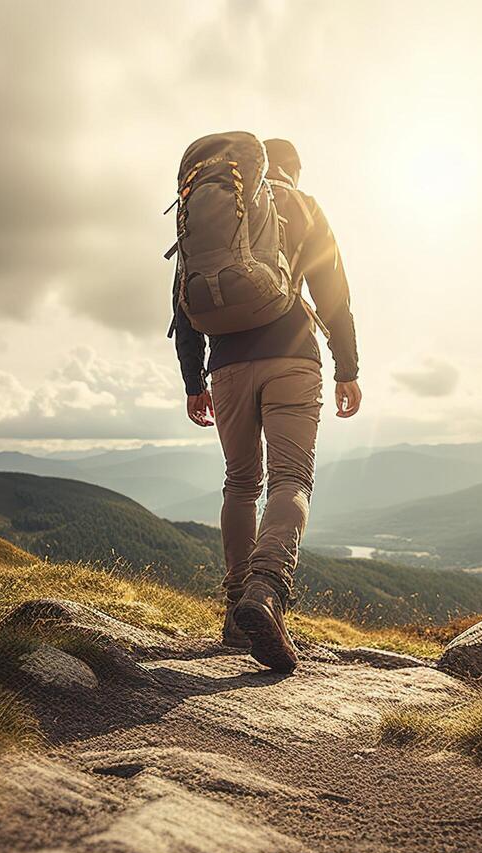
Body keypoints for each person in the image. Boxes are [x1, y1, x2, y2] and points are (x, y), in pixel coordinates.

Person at [170, 137, 362, 672]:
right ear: (293, 170)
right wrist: (347, 366)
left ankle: (236, 611)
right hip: (292, 359)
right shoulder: (302, 205)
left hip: (225, 366)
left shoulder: (213, 208)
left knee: (240, 481)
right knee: (290, 480)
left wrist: (193, 382)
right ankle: (268, 590)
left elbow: (183, 305)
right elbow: (334, 294)